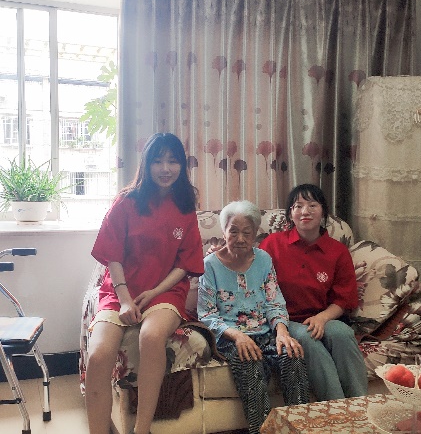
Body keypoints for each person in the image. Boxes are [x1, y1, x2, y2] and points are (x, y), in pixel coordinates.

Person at [85, 133, 204, 434]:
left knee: (151, 337)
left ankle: (141, 430)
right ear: (146, 164)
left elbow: (185, 263)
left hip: (165, 291)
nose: (165, 168)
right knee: (98, 355)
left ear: (182, 166)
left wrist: (154, 292)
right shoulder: (127, 201)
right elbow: (112, 254)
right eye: (158, 160)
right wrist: (125, 298)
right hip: (120, 290)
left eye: (173, 161)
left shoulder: (185, 205)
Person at [198, 200, 309, 434]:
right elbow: (207, 314)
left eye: (246, 232)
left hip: (265, 333)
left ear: (255, 233)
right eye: (233, 231)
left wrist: (282, 332)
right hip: (230, 338)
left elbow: (274, 302)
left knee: (292, 354)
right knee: (249, 362)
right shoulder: (209, 266)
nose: (240, 238)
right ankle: (262, 431)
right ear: (224, 232)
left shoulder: (264, 260)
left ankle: (299, 428)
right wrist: (238, 336)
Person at [259, 183, 368, 401]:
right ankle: (337, 409)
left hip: (324, 317)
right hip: (285, 320)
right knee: (307, 338)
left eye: (312, 205)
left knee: (342, 333)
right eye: (298, 206)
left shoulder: (337, 251)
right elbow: (250, 271)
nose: (305, 211)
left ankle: (361, 405)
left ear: (323, 211)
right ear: (290, 213)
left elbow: (344, 298)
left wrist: (322, 318)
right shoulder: (273, 244)